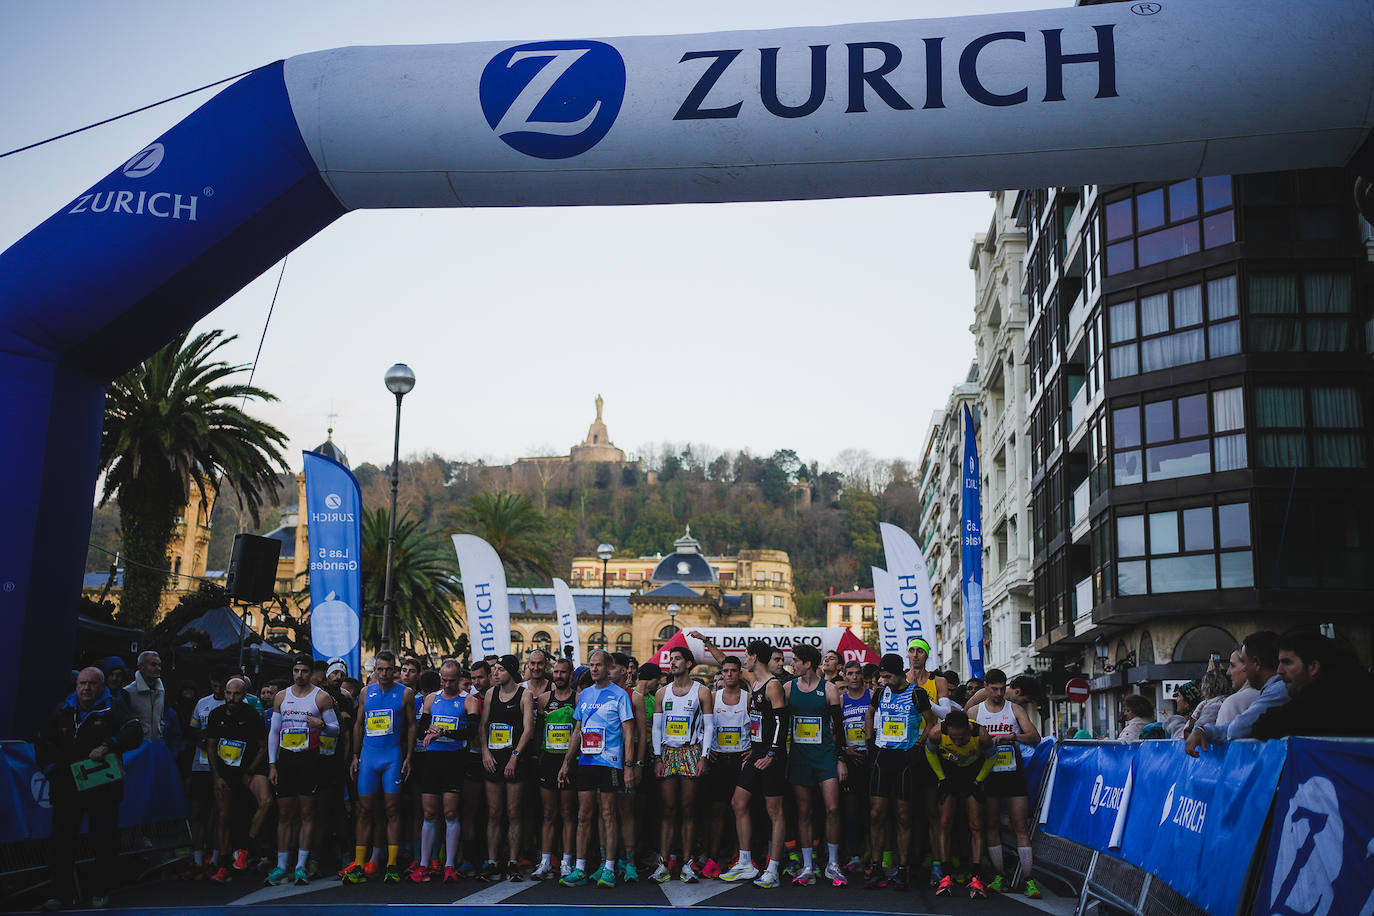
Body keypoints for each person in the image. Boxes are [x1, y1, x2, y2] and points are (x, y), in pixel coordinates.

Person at [37, 667, 143, 912]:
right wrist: (52, 771)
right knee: (61, 841)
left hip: (102, 786)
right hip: (68, 788)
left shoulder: (113, 707)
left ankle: (100, 890)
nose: (86, 688)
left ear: (102, 686)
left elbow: (135, 731)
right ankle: (61, 894)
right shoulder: (63, 709)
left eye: (92, 684)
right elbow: (43, 743)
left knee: (103, 840)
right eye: (82, 683)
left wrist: (109, 745)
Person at [694, 634, 788, 889]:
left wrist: (771, 754)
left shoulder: (772, 685)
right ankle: (745, 861)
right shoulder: (753, 680)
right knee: (738, 803)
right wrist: (707, 642)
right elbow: (725, 661)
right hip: (755, 754)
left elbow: (781, 722)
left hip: (771, 758)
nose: (744, 660)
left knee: (774, 812)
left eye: (747, 656)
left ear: (755, 657)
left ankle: (773, 868)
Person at [558, 649, 637, 888]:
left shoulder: (620, 695)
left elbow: (629, 733)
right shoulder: (584, 695)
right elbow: (577, 731)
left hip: (610, 762)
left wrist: (629, 766)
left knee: (608, 815)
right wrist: (566, 762)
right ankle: (580, 868)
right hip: (586, 761)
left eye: (598, 665)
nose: (593, 669)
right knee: (583, 815)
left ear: (608, 668)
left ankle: (610, 868)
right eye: (591, 665)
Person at [966, 668, 1042, 899]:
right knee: (991, 826)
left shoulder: (1015, 709)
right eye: (994, 689)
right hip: (988, 775)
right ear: (986, 688)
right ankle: (999, 875)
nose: (999, 693)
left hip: (1012, 773)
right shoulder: (975, 711)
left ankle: (1029, 880)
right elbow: (963, 741)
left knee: (1020, 825)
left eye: (1002, 688)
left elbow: (1035, 737)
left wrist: (1013, 736)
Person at [341, 650, 415, 883]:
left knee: (392, 810)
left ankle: (392, 864)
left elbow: (412, 725)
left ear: (395, 670)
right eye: (380, 669)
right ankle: (360, 864)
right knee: (364, 810)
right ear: (374, 670)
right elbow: (358, 724)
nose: (384, 673)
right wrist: (354, 755)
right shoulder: (365, 692)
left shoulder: (405, 693)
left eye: (388, 669)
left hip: (392, 756)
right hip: (369, 758)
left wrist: (409, 756)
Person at [266, 655, 339, 885]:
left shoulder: (321, 697)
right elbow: (274, 732)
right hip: (286, 759)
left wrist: (322, 725)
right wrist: (272, 764)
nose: (300, 675)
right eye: (296, 671)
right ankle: (280, 866)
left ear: (311, 673)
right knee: (285, 814)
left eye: (304, 671)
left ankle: (300, 866)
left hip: (309, 759)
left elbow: (336, 729)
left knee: (307, 813)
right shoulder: (281, 696)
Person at [864, 654, 933, 890]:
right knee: (876, 814)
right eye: (881, 676)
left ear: (900, 673)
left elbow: (931, 723)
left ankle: (903, 869)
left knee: (903, 816)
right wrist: (869, 740)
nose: (884, 680)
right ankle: (876, 867)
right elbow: (870, 712)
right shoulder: (881, 692)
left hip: (905, 759)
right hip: (883, 757)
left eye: (887, 676)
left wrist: (918, 745)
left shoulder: (917, 693)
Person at [784, 644, 848, 887]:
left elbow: (839, 728)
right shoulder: (789, 688)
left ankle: (832, 864)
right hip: (800, 757)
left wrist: (841, 759)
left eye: (796, 661)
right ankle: (808, 865)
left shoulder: (829, 689)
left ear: (808, 663)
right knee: (804, 812)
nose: (793, 664)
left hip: (825, 756)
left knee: (832, 809)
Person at [650, 646, 714, 884]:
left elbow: (709, 727)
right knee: (668, 809)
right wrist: (657, 757)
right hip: (667, 753)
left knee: (688, 808)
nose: (672, 663)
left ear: (689, 664)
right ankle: (664, 863)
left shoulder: (702, 691)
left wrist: (704, 756)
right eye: (671, 659)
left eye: (677, 659)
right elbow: (656, 728)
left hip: (691, 752)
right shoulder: (662, 693)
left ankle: (688, 862)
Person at [206, 676, 273, 880]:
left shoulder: (252, 715)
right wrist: (216, 777)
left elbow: (263, 747)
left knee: (266, 800)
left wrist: (250, 771)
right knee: (224, 814)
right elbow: (210, 746)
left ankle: (247, 846)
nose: (231, 697)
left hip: (248, 769)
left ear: (243, 696)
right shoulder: (216, 714)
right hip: (225, 771)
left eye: (236, 694)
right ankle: (224, 863)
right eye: (228, 693)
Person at [413, 659, 473, 883]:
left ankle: (449, 864)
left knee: (450, 813)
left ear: (458, 679)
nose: (448, 685)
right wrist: (429, 730)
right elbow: (420, 731)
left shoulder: (467, 701)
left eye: (452, 681)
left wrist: (444, 732)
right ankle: (424, 864)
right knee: (429, 813)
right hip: (432, 760)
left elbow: (471, 732)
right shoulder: (431, 699)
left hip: (454, 761)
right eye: (444, 680)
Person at [925, 710, 995, 898]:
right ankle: (946, 875)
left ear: (967, 729)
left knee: (976, 824)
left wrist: (979, 781)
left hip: (973, 773)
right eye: (953, 738)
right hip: (949, 773)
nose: (957, 742)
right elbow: (929, 752)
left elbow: (992, 757)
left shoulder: (981, 735)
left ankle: (976, 876)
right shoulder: (936, 733)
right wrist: (941, 778)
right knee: (945, 822)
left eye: (961, 738)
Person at [478, 654, 535, 881]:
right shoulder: (491, 693)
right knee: (493, 813)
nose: (495, 673)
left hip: (514, 758)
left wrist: (514, 757)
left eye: (500, 670)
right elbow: (482, 726)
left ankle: (513, 861)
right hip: (493, 757)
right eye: (495, 669)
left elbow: (528, 729)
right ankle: (492, 862)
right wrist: (485, 752)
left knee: (513, 812)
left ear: (511, 672)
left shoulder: (525, 695)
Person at [1252, 633, 1374, 739]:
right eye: (1279, 663)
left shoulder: (1321, 697)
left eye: (1287, 662)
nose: (1279, 671)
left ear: (1313, 667)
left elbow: (1266, 726)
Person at [1187, 631, 1287, 756]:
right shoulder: (1271, 691)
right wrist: (1204, 730)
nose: (1282, 670)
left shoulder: (1279, 690)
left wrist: (1205, 731)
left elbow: (1239, 727)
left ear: (1257, 663)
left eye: (1245, 662)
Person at [701, 654, 748, 879]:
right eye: (725, 671)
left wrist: (754, 751)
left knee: (741, 810)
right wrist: (706, 752)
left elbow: (758, 727)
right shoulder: (712, 696)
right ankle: (713, 857)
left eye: (733, 670)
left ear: (740, 673)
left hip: (741, 760)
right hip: (719, 760)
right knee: (717, 811)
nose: (729, 674)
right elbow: (703, 727)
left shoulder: (748, 698)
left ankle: (740, 855)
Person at [532, 657, 578, 880]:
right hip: (548, 761)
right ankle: (545, 861)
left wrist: (568, 763)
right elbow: (537, 732)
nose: (559, 676)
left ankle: (567, 862)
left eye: (563, 672)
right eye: (556, 672)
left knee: (568, 813)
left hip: (569, 762)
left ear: (570, 675)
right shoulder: (542, 700)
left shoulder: (577, 699)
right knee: (548, 813)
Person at [609, 652, 648, 882]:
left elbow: (642, 736)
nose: (607, 671)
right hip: (605, 761)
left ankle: (630, 862)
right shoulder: (601, 695)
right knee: (606, 813)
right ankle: (608, 861)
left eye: (612, 667)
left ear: (624, 671)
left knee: (626, 812)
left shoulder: (635, 697)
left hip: (628, 760)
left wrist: (638, 765)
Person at [185, 671, 228, 876]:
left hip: (223, 766)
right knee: (197, 813)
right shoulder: (202, 703)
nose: (218, 691)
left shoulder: (233, 704)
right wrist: (200, 738)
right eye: (215, 686)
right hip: (200, 765)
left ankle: (217, 857)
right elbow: (191, 729)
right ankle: (197, 859)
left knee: (219, 814)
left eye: (222, 687)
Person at [838, 659, 871, 873]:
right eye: (850, 674)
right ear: (844, 676)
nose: (854, 677)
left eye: (857, 673)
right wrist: (844, 752)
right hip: (850, 759)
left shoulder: (872, 695)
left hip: (870, 758)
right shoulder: (842, 700)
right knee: (851, 811)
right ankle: (854, 854)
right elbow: (836, 729)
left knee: (872, 809)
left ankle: (872, 852)